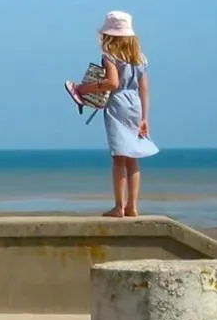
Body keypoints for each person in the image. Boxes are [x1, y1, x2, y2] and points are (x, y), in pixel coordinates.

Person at [65, 11, 159, 217]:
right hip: (135, 105)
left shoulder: (110, 56)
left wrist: (84, 88)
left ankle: (119, 207)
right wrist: (145, 117)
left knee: (119, 157)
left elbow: (112, 83)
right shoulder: (140, 59)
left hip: (118, 105)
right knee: (133, 157)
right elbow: (144, 88)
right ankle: (132, 206)